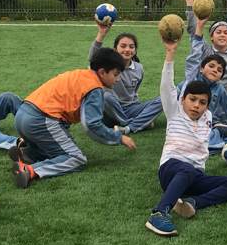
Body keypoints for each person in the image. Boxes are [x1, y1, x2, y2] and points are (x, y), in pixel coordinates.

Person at [146, 31, 227, 237]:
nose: (196, 105)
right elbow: (166, 85)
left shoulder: (207, 117)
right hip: (171, 169)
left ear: (208, 106)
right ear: (183, 99)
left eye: (202, 102)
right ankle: (159, 213)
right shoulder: (175, 111)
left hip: (194, 176)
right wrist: (170, 53)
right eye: (192, 99)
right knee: (187, 169)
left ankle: (192, 203)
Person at [8, 48, 137, 188]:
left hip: (22, 114)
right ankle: (29, 170)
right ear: (102, 72)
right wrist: (119, 137)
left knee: (57, 150)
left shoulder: (80, 74)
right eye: (115, 74)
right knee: (77, 158)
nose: (117, 79)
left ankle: (26, 154)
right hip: (41, 121)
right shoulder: (94, 87)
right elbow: (91, 125)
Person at [180, 19, 227, 147]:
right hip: (193, 114)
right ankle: (214, 126)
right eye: (218, 32)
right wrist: (198, 20)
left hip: (217, 102)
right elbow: (195, 44)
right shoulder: (205, 53)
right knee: (183, 85)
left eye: (226, 33)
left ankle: (217, 127)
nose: (222, 35)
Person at [90, 21, 162, 134]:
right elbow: (93, 59)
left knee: (163, 99)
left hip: (132, 108)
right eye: (123, 46)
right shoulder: (107, 65)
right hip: (109, 110)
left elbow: (134, 91)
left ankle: (128, 127)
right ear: (115, 49)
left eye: (131, 47)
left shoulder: (139, 68)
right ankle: (134, 123)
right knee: (105, 97)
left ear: (135, 50)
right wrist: (101, 34)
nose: (127, 49)